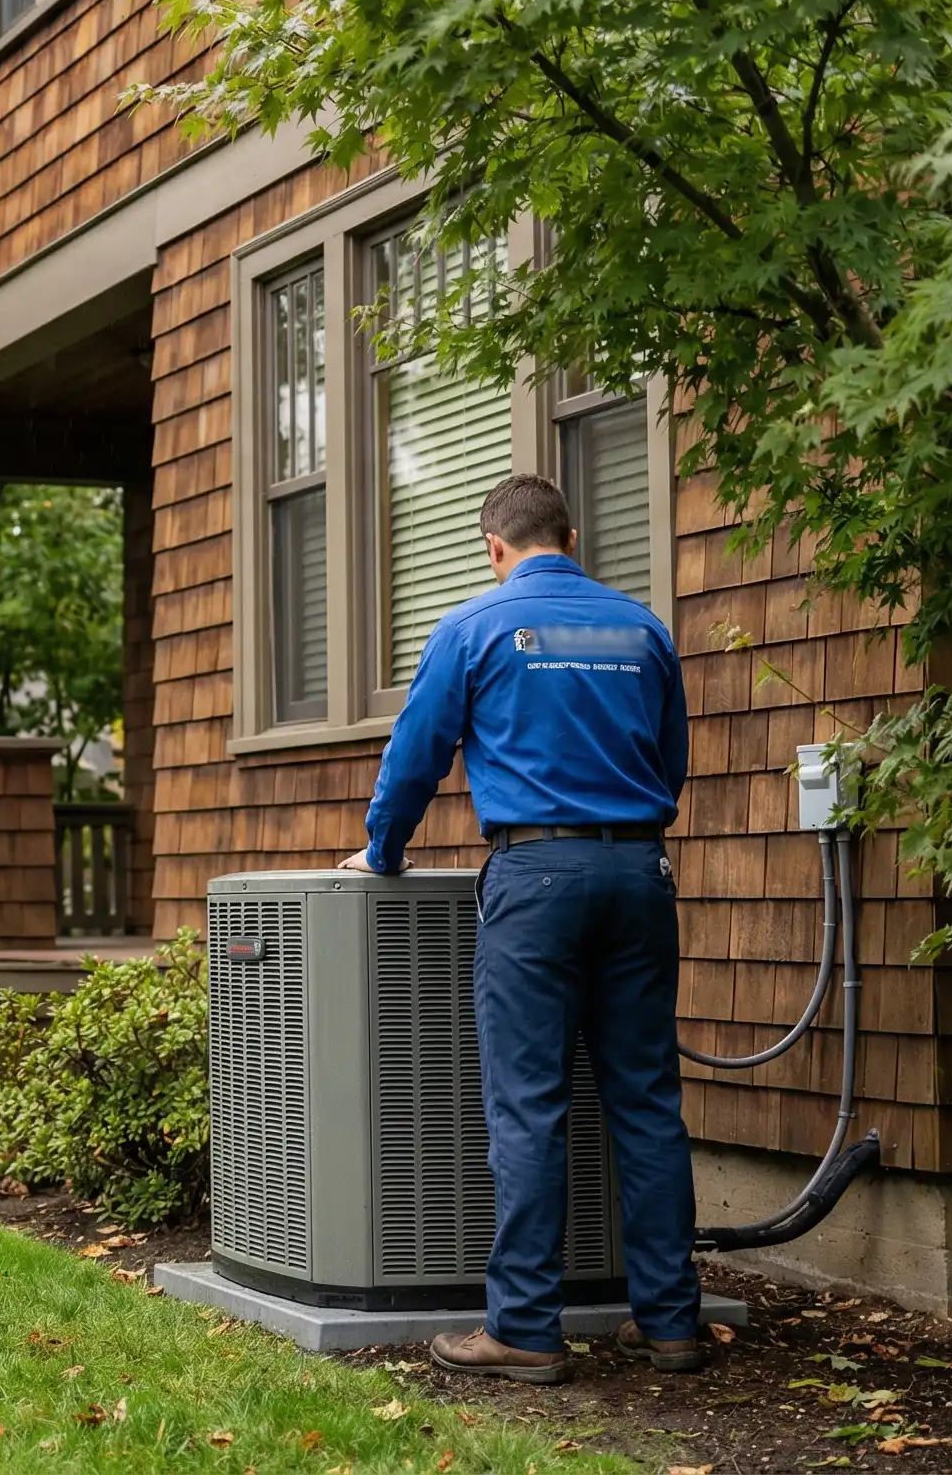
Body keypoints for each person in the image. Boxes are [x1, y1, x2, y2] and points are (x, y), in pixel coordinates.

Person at [339, 472, 701, 1384]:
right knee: (648, 1104)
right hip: (640, 871)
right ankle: (671, 1327)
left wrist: (382, 849)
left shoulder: (474, 628)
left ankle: (528, 1333)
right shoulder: (643, 629)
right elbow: (672, 760)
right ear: (572, 537)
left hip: (536, 878)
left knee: (531, 1103)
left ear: (494, 548)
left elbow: (417, 752)